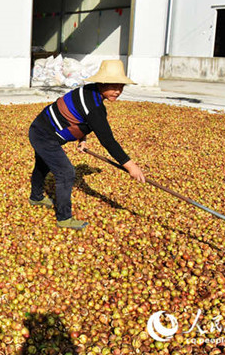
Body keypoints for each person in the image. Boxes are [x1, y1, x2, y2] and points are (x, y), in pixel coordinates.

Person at [28, 60, 146, 230]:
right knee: (66, 173)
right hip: (44, 135)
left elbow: (78, 116)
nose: (118, 91)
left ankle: (36, 197)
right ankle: (64, 218)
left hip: (40, 128)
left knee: (43, 164)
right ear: (102, 83)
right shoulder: (94, 106)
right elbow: (107, 140)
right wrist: (131, 166)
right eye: (113, 86)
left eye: (121, 87)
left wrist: (82, 139)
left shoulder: (90, 92)